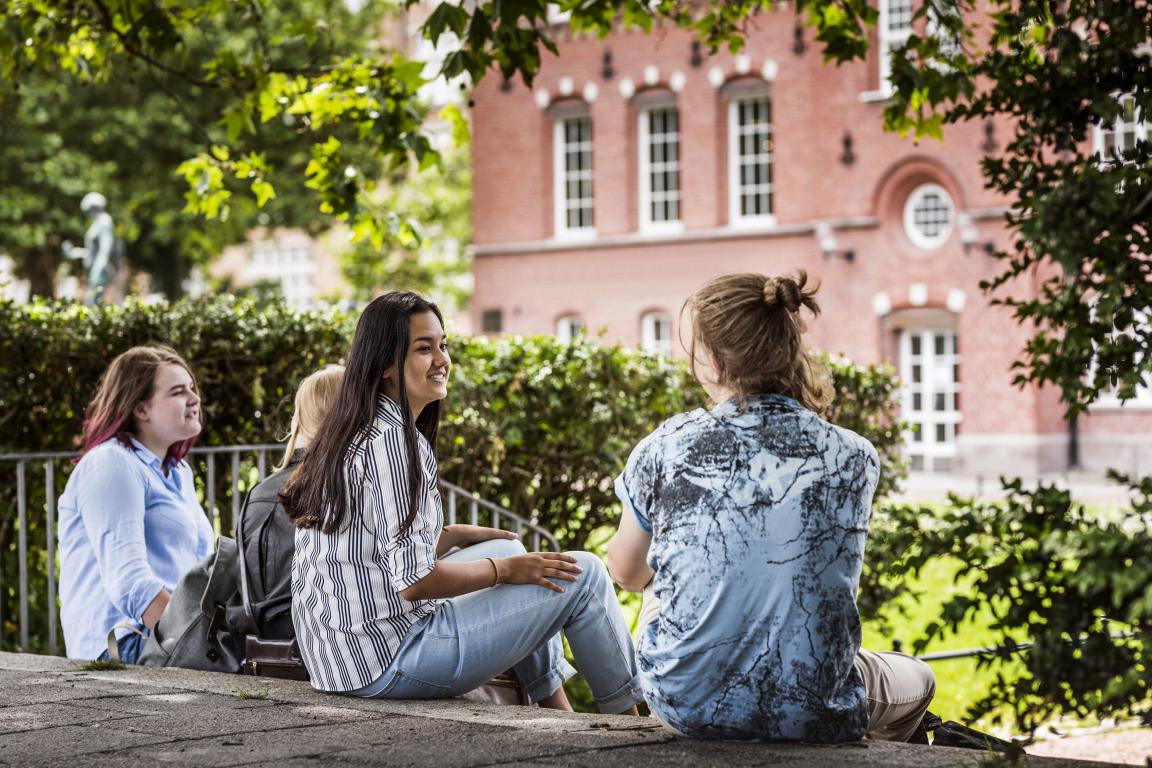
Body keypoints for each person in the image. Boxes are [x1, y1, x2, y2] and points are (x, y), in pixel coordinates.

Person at [606, 272, 936, 742]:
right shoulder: (855, 455)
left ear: (714, 365)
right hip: (811, 709)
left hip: (685, 704)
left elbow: (624, 571)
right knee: (919, 679)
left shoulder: (666, 447)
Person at [282, 291, 642, 714]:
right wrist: (504, 570)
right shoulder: (396, 443)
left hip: (338, 660)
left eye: (443, 345)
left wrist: (454, 536)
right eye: (423, 348)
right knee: (586, 575)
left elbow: (369, 553)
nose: (442, 359)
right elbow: (415, 583)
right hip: (388, 662)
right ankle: (630, 723)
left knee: (513, 550)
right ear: (384, 366)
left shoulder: (356, 429)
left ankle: (555, 707)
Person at [58, 345, 214, 663]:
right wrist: (194, 644)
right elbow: (130, 582)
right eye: (178, 392)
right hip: (125, 643)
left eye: (192, 388)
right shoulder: (111, 463)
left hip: (166, 635)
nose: (194, 399)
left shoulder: (177, 471)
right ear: (141, 410)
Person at [237, 364, 345, 641]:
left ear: (299, 417)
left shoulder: (258, 492)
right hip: (326, 644)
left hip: (265, 644)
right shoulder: (343, 484)